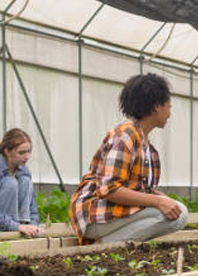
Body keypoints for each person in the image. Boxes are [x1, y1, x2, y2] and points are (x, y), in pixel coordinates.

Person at [69, 73, 188, 244]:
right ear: (156, 107)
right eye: (169, 106)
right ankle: (103, 247)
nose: (169, 113)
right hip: (92, 214)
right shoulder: (125, 136)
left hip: (111, 213)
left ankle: (104, 244)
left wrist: (162, 199)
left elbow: (140, 189)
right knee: (178, 213)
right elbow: (109, 189)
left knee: (174, 210)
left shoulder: (147, 146)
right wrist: (158, 201)